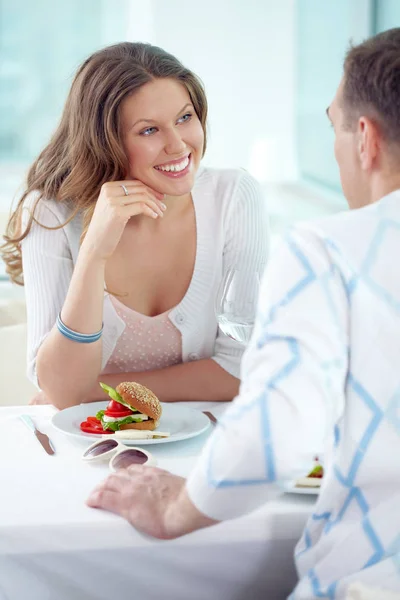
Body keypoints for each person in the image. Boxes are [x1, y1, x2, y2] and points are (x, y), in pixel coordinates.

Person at [87, 28, 400, 599]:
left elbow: (276, 431)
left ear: (366, 139)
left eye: (332, 127)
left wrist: (176, 508)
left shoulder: (327, 250)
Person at [0, 42, 269, 409]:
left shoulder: (234, 197)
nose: (178, 145)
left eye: (185, 118)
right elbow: (59, 383)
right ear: (104, 141)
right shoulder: (51, 212)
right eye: (148, 131)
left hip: (205, 444)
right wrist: (94, 251)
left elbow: (243, 368)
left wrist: (95, 391)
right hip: (89, 442)